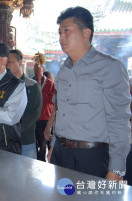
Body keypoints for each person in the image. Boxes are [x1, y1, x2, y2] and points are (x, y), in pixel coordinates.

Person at [48, 6, 131, 182]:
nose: (61, 38)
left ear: (86, 33)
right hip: (62, 155)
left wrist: (116, 169)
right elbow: (61, 111)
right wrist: (54, 146)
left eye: (67, 31)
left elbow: (119, 121)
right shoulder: (64, 70)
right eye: (60, 32)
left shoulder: (110, 67)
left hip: (91, 157)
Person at [7, 49, 42, 158]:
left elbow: (35, 113)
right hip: (6, 141)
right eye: (5, 62)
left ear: (19, 62)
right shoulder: (4, 86)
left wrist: (17, 130)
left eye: (10, 62)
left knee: (27, 174)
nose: (7, 65)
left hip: (25, 140)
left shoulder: (31, 85)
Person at [33, 54, 55, 162]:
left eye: (39, 67)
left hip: (45, 118)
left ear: (43, 69)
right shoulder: (30, 82)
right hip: (34, 119)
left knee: (44, 145)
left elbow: (53, 101)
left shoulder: (50, 84)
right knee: (36, 144)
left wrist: (40, 95)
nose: (37, 70)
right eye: (35, 67)